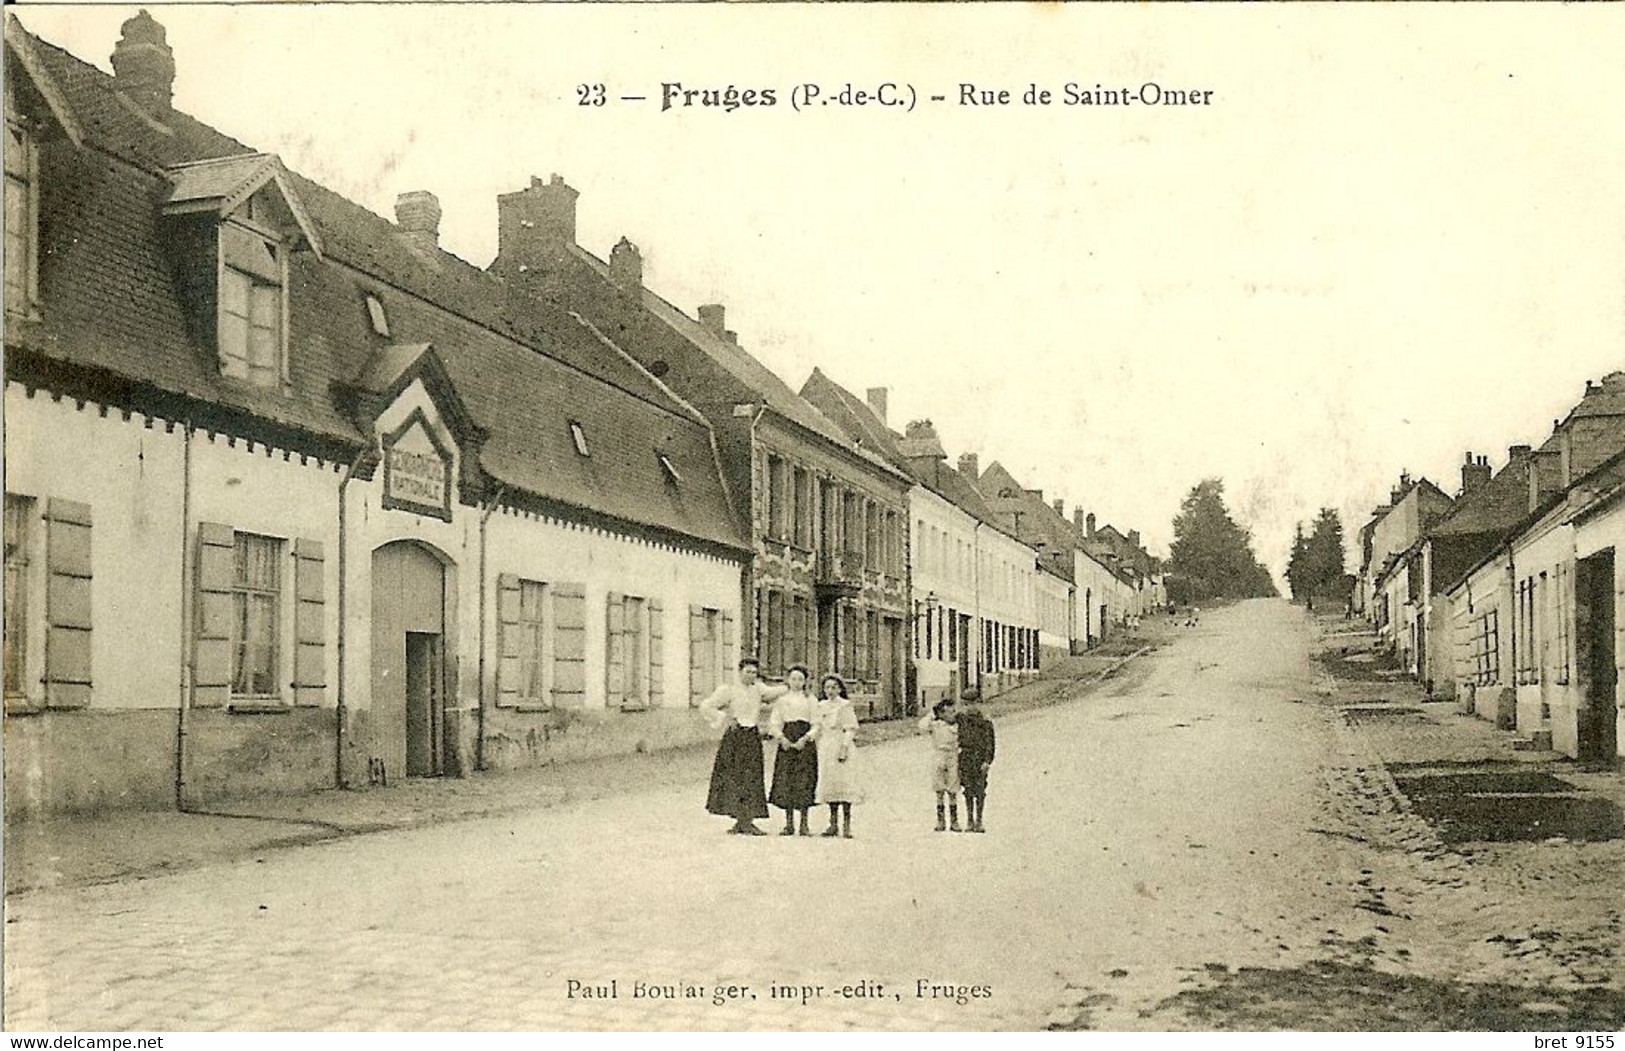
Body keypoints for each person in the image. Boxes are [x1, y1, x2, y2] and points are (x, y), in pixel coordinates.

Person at [700, 658, 787, 835]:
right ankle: (739, 819)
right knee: (734, 776)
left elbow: (773, 693)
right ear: (740, 672)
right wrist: (723, 717)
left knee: (752, 776)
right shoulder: (728, 690)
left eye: (754, 672)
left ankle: (748, 820)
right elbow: (706, 705)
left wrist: (790, 684)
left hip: (752, 736)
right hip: (735, 736)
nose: (751, 675)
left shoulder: (758, 688)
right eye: (748, 672)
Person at [767, 665, 819, 836]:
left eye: (800, 679)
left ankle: (804, 824)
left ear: (805, 682)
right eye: (794, 678)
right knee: (787, 779)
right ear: (788, 680)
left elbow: (817, 723)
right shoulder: (782, 700)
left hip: (804, 742)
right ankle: (789, 824)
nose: (797, 682)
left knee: (805, 779)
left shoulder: (810, 699)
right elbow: (774, 722)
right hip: (787, 740)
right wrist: (781, 738)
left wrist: (806, 738)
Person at [813, 673, 861, 839]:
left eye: (834, 687)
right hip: (826, 746)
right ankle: (832, 824)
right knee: (831, 784)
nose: (830, 690)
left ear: (840, 688)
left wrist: (844, 747)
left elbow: (850, 728)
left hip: (841, 744)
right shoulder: (821, 706)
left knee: (844, 783)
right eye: (827, 687)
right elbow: (817, 726)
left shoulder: (845, 705)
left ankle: (846, 825)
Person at [917, 696, 961, 832]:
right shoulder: (935, 725)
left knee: (953, 788)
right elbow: (921, 727)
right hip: (939, 755)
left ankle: (954, 821)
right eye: (949, 712)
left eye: (953, 711)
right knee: (939, 789)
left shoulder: (957, 725)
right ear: (942, 713)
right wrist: (932, 714)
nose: (952, 714)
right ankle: (941, 821)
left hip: (953, 756)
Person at [956, 688, 996, 833]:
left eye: (973, 704)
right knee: (967, 789)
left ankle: (979, 820)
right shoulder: (960, 719)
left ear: (979, 703)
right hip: (965, 758)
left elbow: (990, 743)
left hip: (979, 758)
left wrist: (987, 761)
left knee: (980, 790)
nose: (970, 707)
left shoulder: (985, 722)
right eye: (966, 704)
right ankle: (969, 820)